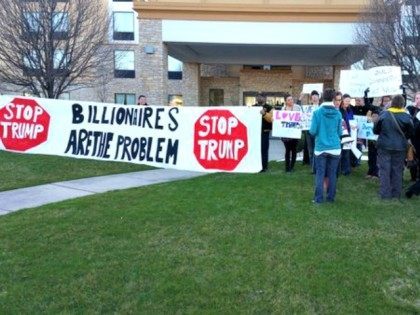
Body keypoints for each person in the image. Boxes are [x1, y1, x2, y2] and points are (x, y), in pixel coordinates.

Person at [373, 95, 414, 199]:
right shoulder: (407, 117)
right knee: (398, 170)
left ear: (392, 103)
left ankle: (385, 194)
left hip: (384, 146)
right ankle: (396, 193)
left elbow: (375, 130)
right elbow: (411, 133)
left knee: (384, 170)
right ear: (402, 104)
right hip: (400, 147)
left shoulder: (383, 114)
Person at [309, 89, 342, 204]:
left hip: (321, 148)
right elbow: (340, 133)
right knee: (332, 174)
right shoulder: (338, 113)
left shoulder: (317, 112)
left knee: (320, 173)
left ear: (322, 98)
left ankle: (318, 199)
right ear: (333, 99)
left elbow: (312, 131)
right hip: (335, 148)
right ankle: (330, 198)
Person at [281, 94, 302, 172]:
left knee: (293, 150)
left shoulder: (297, 108)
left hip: (294, 133)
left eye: (292, 99)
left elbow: (301, 116)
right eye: (289, 100)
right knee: (287, 150)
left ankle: (292, 166)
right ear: (285, 101)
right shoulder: (283, 109)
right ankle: (287, 167)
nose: (291, 101)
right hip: (286, 134)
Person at [301, 90, 320, 170]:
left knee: (318, 150)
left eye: (316, 95)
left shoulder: (321, 107)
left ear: (319, 97)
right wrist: (300, 98)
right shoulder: (307, 108)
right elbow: (299, 110)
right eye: (313, 95)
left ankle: (318, 166)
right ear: (311, 97)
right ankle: (313, 167)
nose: (314, 97)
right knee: (311, 150)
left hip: (318, 132)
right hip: (309, 131)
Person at [253, 94, 273, 172]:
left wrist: (264, 114)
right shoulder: (253, 107)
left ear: (265, 98)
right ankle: (256, 165)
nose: (259, 98)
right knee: (255, 149)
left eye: (261, 97)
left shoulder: (269, 108)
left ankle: (264, 167)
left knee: (264, 149)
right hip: (255, 132)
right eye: (258, 97)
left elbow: (271, 119)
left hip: (265, 131)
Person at [406, 92, 420, 181]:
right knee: (412, 157)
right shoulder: (411, 109)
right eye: (417, 98)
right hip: (413, 138)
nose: (419, 100)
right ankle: (413, 177)